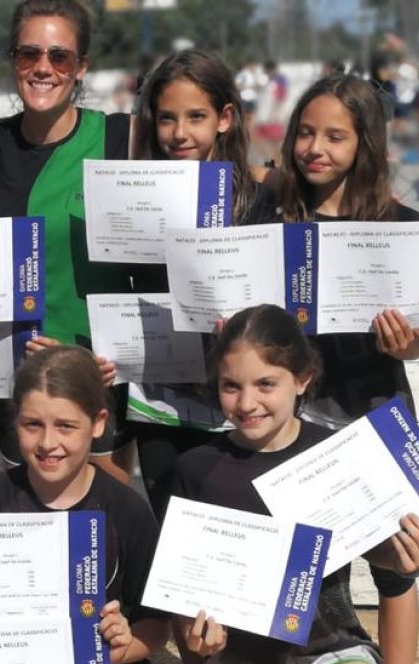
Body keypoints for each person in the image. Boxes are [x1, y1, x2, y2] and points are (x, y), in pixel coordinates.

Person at [170, 305, 419, 664]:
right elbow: (184, 589)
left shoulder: (339, 453)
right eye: (231, 386)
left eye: (266, 384)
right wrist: (197, 634)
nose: (247, 403)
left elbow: (380, 553)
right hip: (235, 661)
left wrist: (404, 558)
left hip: (329, 653)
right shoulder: (196, 469)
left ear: (302, 379)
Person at [275, 74, 419, 664]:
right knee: (308, 563)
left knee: (397, 564)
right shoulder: (275, 216)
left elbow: (417, 342)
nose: (316, 147)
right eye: (306, 132)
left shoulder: (402, 224)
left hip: (376, 411)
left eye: (336, 136)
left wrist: (406, 339)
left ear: (366, 145)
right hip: (296, 417)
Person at [0, 0, 132, 484]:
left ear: (81, 67)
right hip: (20, 379)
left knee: (100, 526)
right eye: (29, 54)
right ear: (13, 59)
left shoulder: (121, 137)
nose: (43, 68)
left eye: (59, 57)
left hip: (98, 373)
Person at [0, 346, 171, 664]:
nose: (47, 442)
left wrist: (126, 647)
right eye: (32, 424)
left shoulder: (127, 511)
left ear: (98, 423)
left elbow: (155, 624)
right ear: (15, 421)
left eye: (66, 426)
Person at [128, 49, 280, 521]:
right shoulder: (133, 195)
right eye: (167, 118)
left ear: (225, 118)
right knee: (172, 533)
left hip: (235, 405)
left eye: (196, 116)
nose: (180, 133)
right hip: (158, 402)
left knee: (235, 532)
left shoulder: (259, 198)